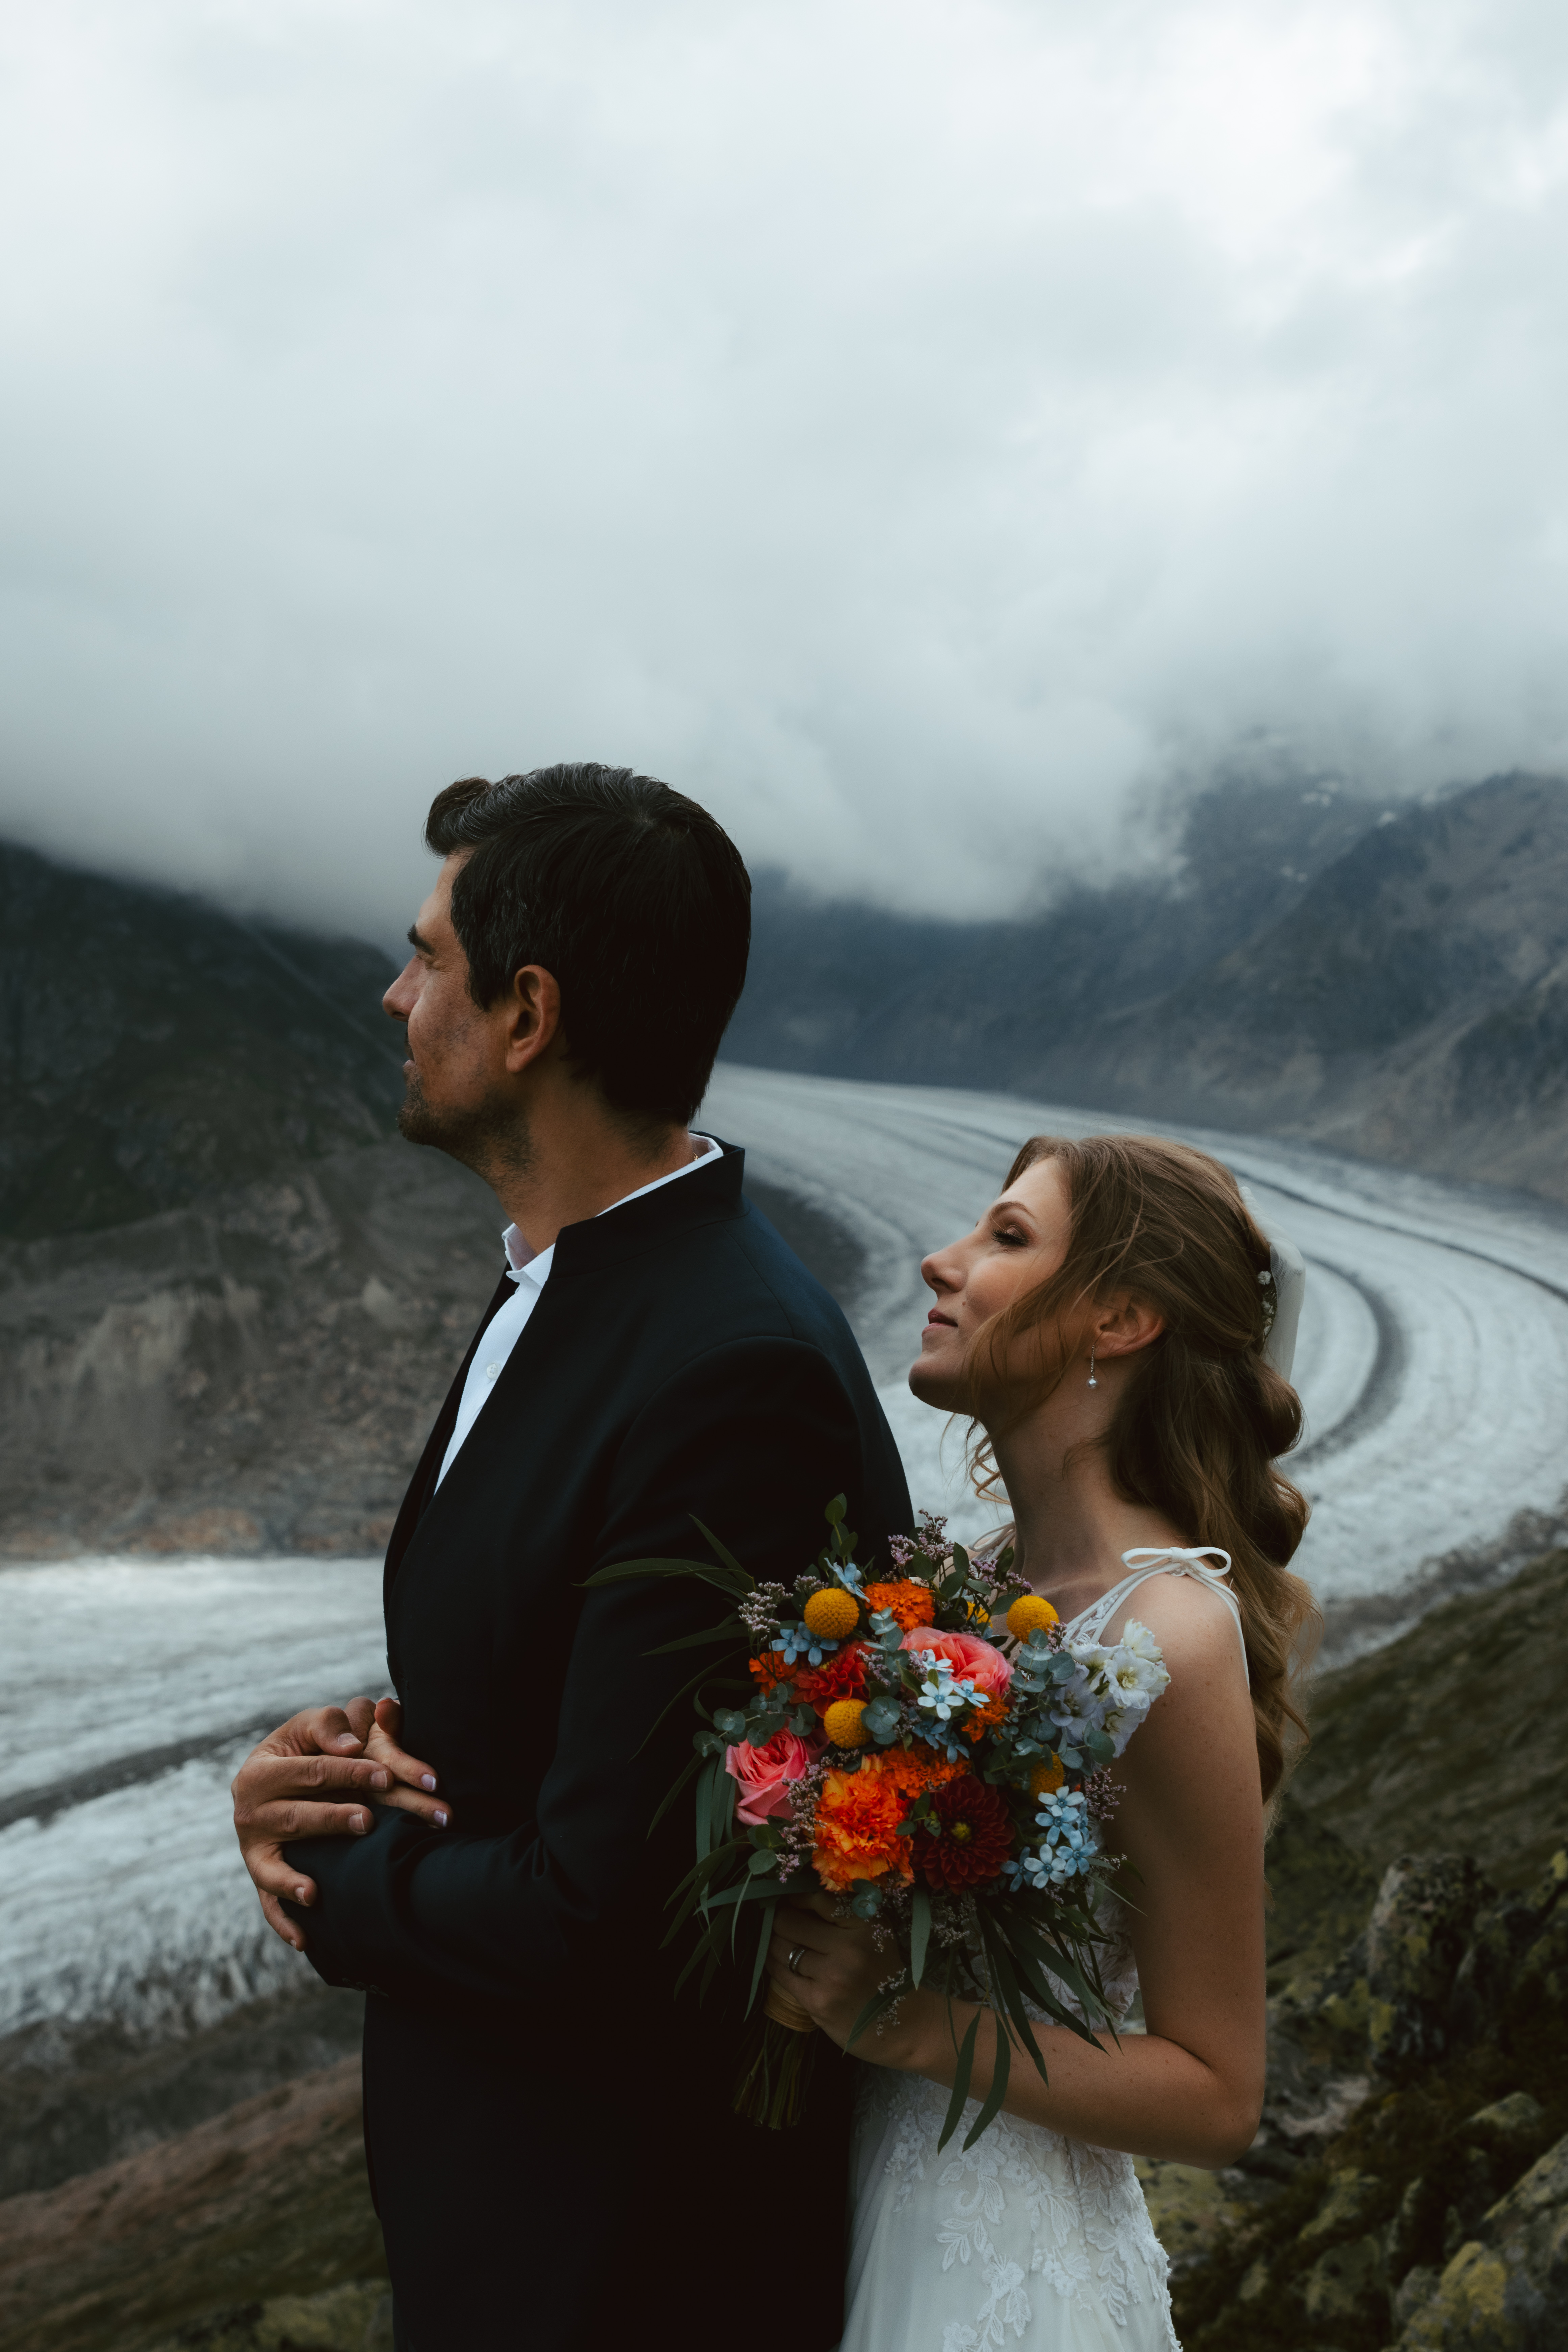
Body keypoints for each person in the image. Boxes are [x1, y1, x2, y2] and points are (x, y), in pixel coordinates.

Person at [228, 765, 911, 2350]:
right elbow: (581, 1719)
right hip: (528, 2230)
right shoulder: (595, 1286)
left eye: (425, 960)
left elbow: (610, 1916)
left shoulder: (720, 1366)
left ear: (526, 1015)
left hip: (620, 2267)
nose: (394, 997)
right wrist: (356, 1763)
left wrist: (318, 1866)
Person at [766, 1132, 1317, 2351]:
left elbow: (1219, 2094)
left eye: (1006, 1237)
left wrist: (905, 2024)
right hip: (868, 2198)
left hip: (1011, 2272)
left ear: (1121, 1317)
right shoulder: (979, 1591)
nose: (939, 1259)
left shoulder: (1167, 1629)